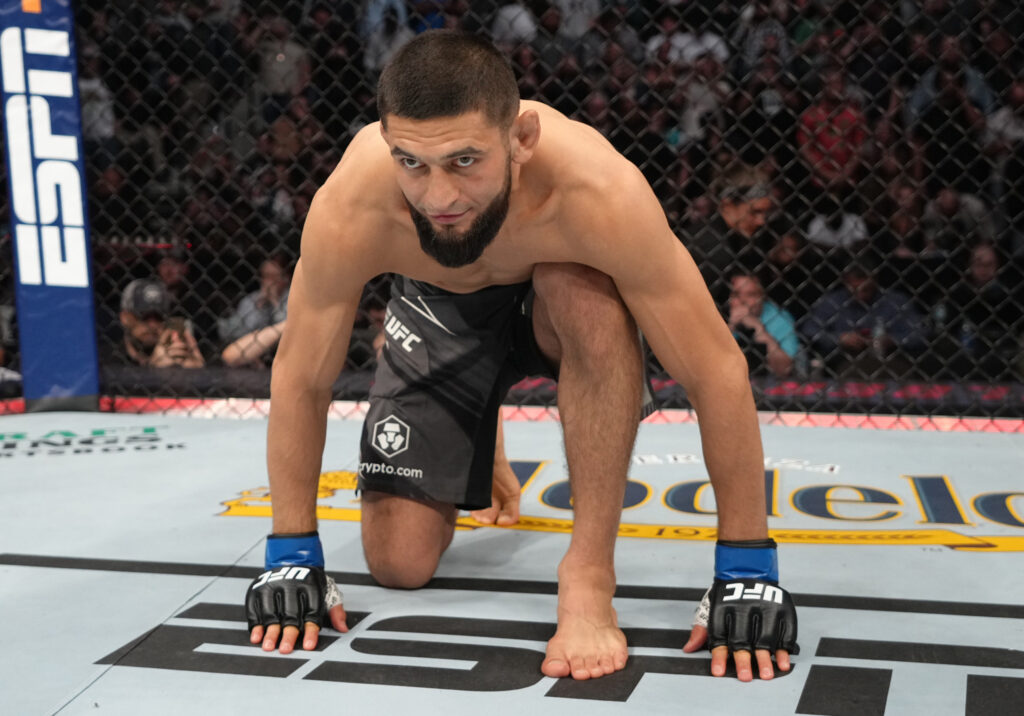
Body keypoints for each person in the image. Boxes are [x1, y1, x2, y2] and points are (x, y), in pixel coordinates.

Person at [245, 31, 797, 685]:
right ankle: (480, 426)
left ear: (522, 139)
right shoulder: (355, 204)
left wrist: (746, 568)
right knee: (398, 564)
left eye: (465, 160)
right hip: (439, 309)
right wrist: (291, 556)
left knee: (585, 292)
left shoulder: (597, 191)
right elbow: (301, 374)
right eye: (412, 162)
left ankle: (588, 577)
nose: (438, 196)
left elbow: (715, 368)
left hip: (555, 306)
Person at [800, 262, 927, 379]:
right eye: (855, 290)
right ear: (846, 282)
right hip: (845, 359)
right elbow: (809, 329)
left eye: (866, 289)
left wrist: (892, 340)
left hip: (890, 358)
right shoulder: (832, 301)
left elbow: (921, 333)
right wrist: (840, 338)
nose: (861, 295)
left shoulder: (896, 301)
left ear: (875, 281)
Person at [106, 278, 205, 368]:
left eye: (159, 317)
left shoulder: (182, 355)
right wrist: (154, 370)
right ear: (125, 318)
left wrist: (193, 373)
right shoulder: (108, 362)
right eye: (144, 317)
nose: (152, 325)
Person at [727, 270, 799, 379]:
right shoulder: (719, 315)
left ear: (762, 296)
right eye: (736, 294)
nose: (742, 300)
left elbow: (784, 370)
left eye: (750, 294)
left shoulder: (780, 318)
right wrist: (730, 328)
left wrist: (759, 329)